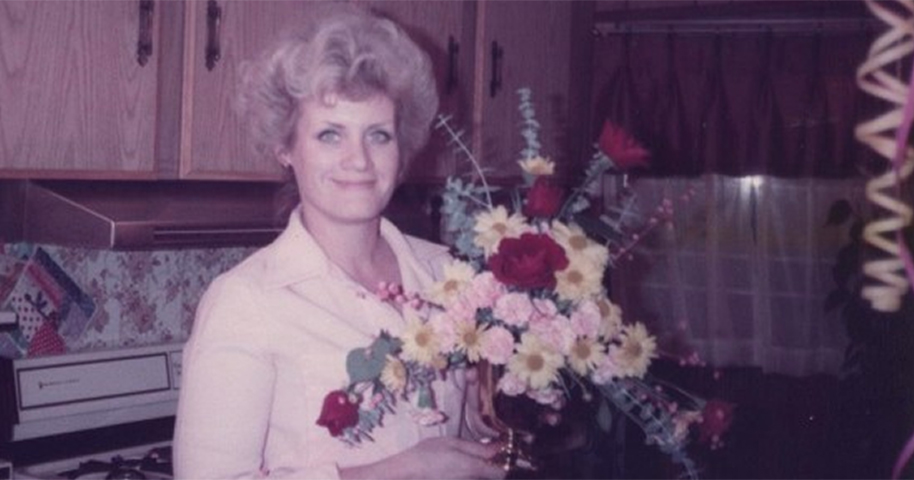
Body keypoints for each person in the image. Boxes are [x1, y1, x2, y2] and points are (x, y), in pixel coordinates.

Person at [173, 5, 505, 479]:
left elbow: (459, 447)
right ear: (285, 148)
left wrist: (484, 412)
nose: (359, 160)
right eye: (330, 135)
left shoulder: (445, 277)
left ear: (403, 148)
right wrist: (400, 472)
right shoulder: (245, 303)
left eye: (378, 135)